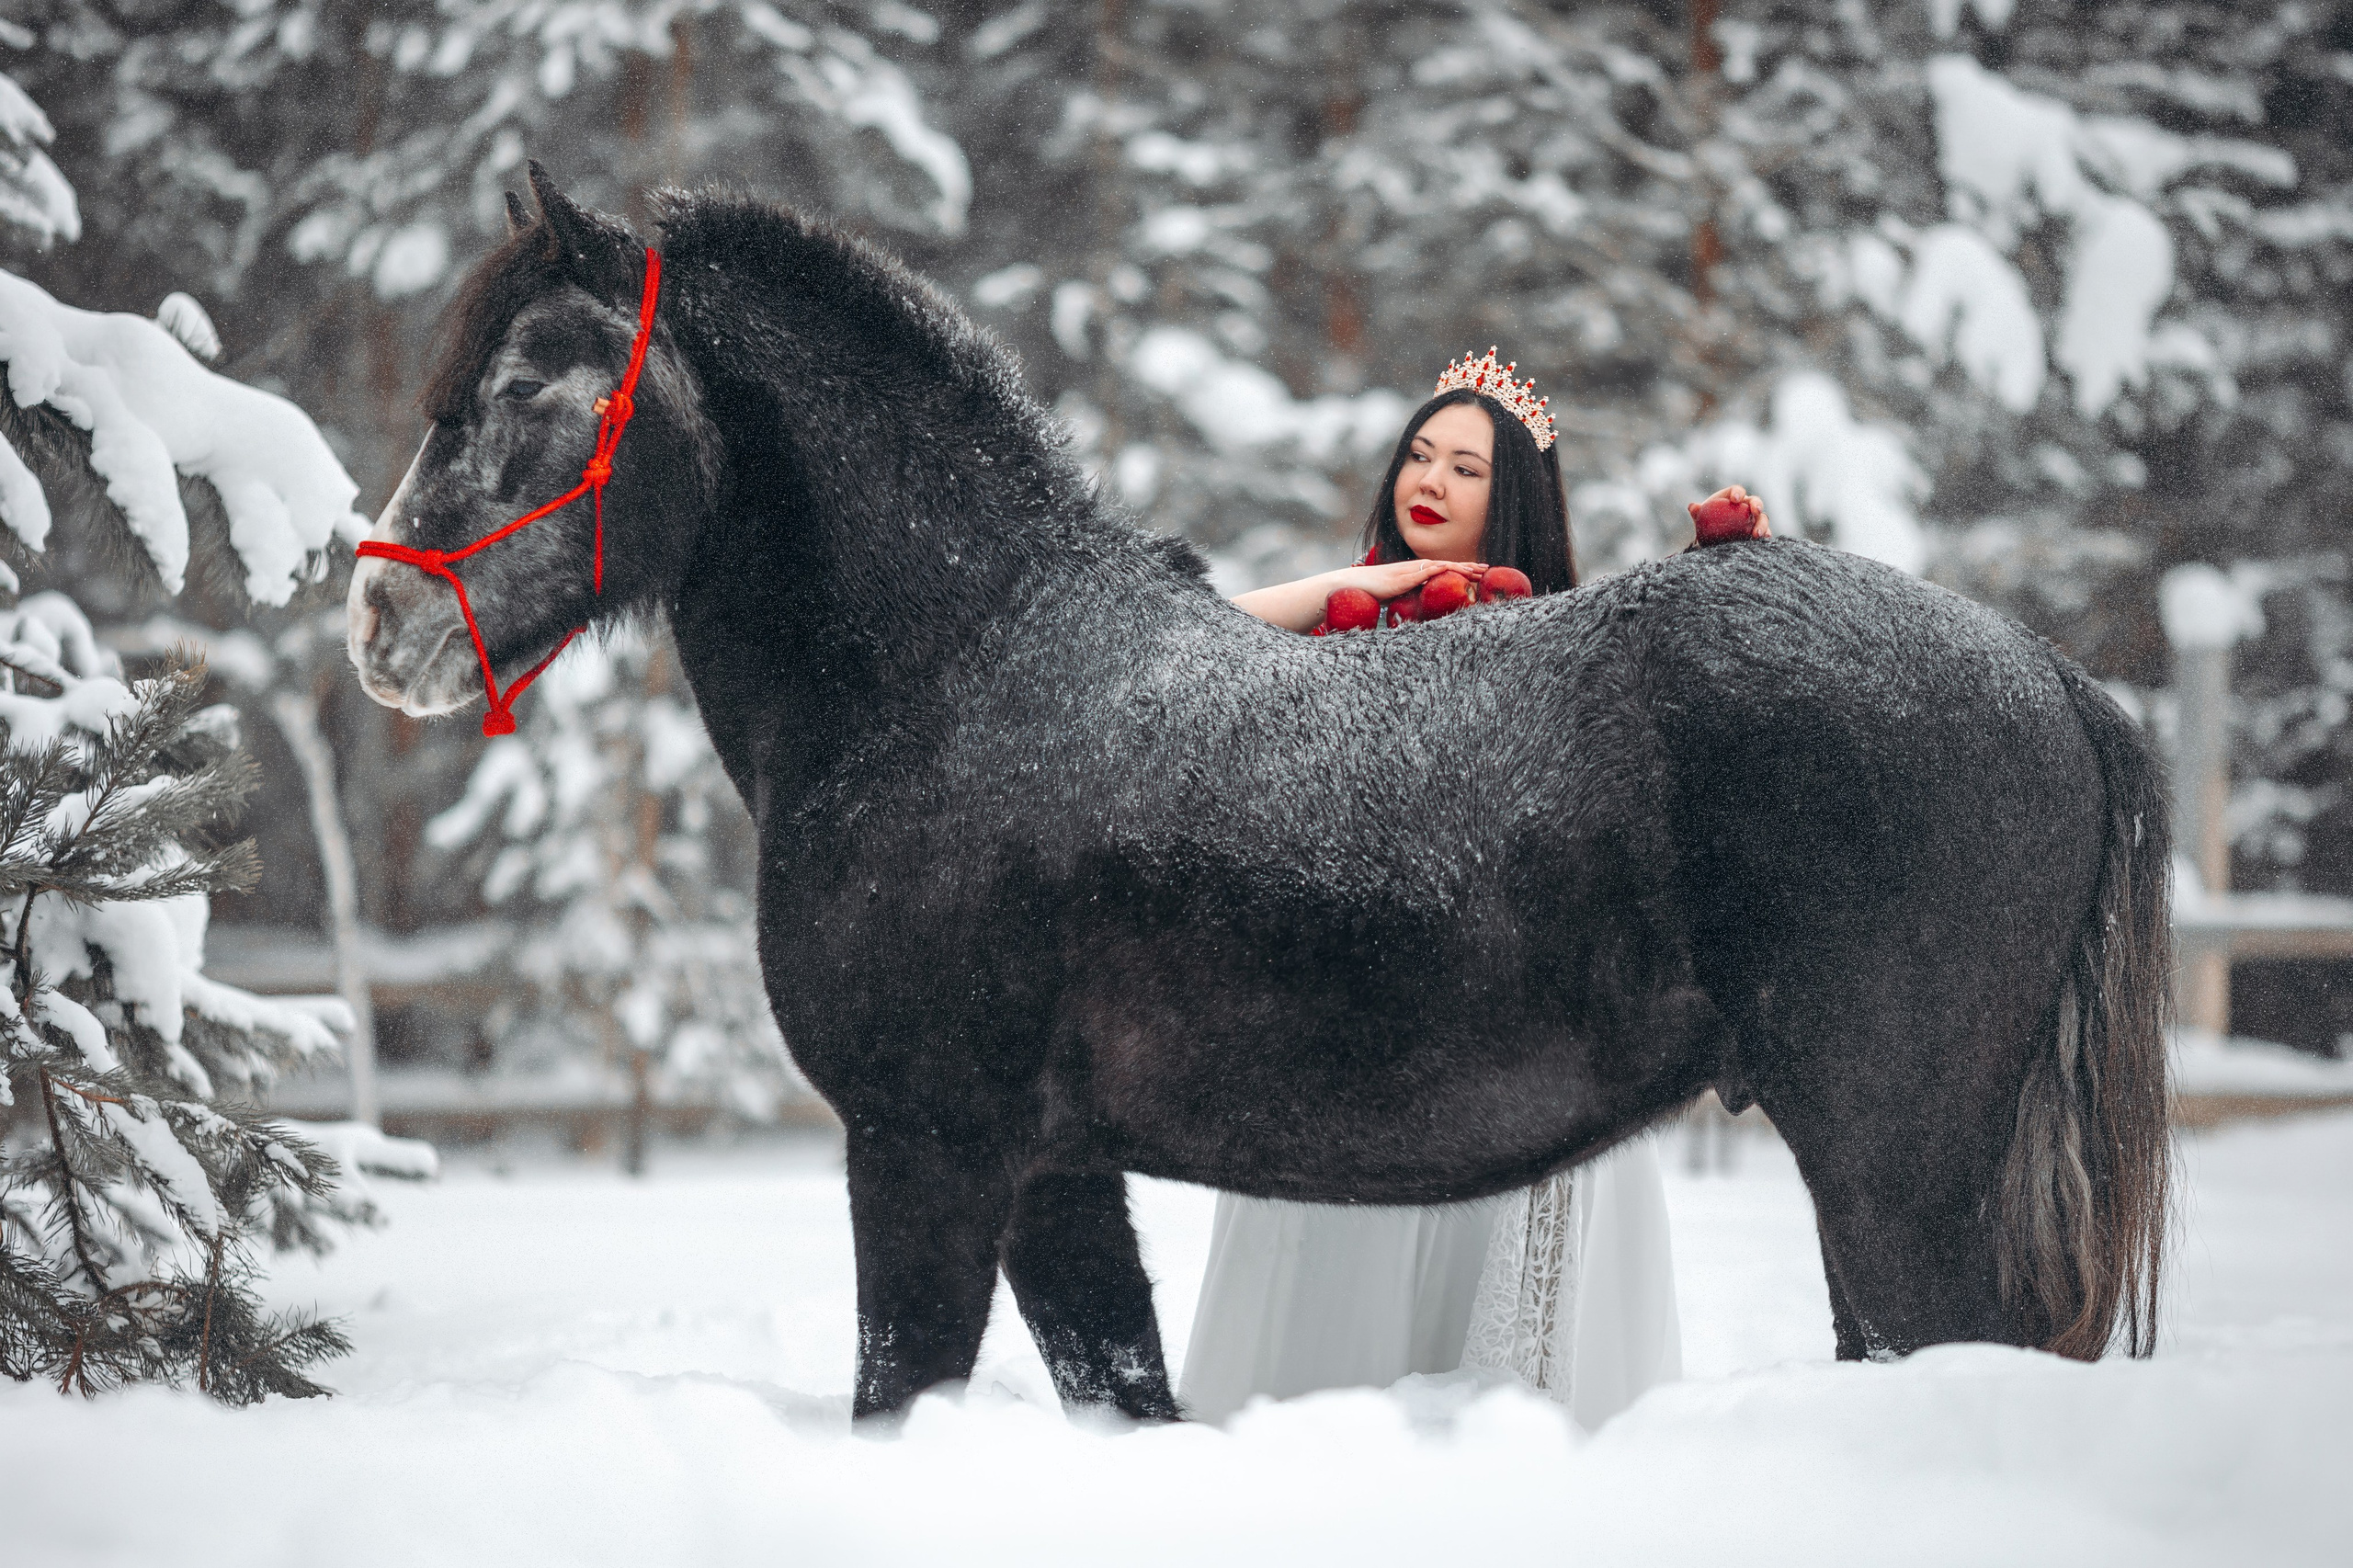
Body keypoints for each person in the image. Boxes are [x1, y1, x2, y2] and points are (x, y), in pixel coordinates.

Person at [1182, 349, 1767, 1431]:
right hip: (1345, 1020)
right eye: (1418, 454)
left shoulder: (1566, 643)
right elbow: (1194, 640)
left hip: (1511, 1019)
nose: (1432, 480)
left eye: (1465, 466)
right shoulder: (1342, 625)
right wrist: (1370, 587)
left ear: (1513, 504)